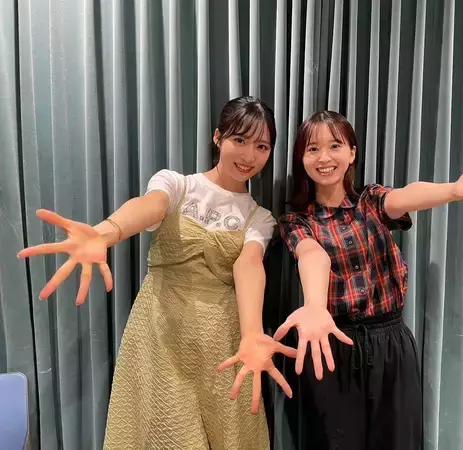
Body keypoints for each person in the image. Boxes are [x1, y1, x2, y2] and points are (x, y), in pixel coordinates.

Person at [17, 96, 297, 450]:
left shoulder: (260, 218)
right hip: (162, 334)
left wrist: (253, 333)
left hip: (224, 344)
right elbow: (150, 207)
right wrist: (106, 232)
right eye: (239, 140)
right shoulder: (177, 184)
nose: (249, 155)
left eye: (262, 146)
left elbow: (249, 264)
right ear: (217, 137)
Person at [273, 111, 463, 450]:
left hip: (390, 344)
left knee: (399, 440)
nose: (324, 157)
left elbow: (404, 197)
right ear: (302, 158)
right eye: (313, 149)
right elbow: (312, 255)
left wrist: (454, 190)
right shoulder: (296, 221)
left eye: (334, 146)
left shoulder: (371, 201)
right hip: (331, 345)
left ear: (352, 153)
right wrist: (314, 305)